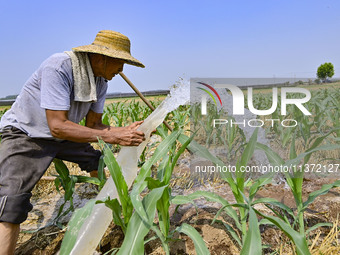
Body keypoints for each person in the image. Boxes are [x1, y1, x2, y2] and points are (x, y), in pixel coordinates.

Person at [0, 30, 146, 254]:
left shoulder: (100, 81)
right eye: (119, 63)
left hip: (63, 135)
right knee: (12, 201)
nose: (121, 71)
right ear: (100, 58)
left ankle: (112, 212)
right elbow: (57, 125)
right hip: (27, 133)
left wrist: (124, 131)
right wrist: (114, 136)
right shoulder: (58, 67)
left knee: (97, 161)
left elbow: (94, 126)